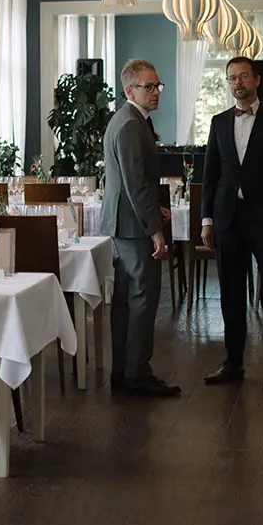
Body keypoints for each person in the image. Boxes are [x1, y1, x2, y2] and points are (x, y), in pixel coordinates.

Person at [201, 56, 263, 390]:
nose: (237, 83)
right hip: (228, 218)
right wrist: (206, 219)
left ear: (256, 80)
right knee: (230, 292)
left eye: (243, 76)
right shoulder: (218, 121)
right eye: (231, 78)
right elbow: (210, 173)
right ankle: (233, 362)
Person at [99, 58, 179, 397]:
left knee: (126, 301)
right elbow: (135, 183)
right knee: (143, 299)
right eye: (149, 86)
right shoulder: (131, 124)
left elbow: (131, 181)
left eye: (158, 85)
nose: (156, 91)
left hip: (124, 222)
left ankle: (124, 371)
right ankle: (136, 374)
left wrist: (154, 210)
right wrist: (155, 229)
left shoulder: (128, 119)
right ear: (130, 90)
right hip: (132, 227)